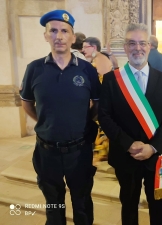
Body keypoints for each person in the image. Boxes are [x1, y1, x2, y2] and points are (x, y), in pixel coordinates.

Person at [19, 10, 101, 225]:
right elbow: (26, 103)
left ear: (73, 38)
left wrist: (83, 121)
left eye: (65, 31)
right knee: (54, 208)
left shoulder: (87, 70)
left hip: (79, 152)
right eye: (53, 31)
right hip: (47, 154)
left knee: (82, 206)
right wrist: (46, 122)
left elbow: (98, 105)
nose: (59, 36)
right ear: (46, 36)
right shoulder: (34, 69)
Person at [98, 23, 162, 225]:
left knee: (157, 207)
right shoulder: (111, 80)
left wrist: (152, 147)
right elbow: (105, 117)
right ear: (125, 47)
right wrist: (129, 144)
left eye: (142, 43)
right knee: (129, 204)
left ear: (149, 46)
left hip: (156, 156)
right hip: (126, 156)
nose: (138, 48)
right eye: (132, 43)